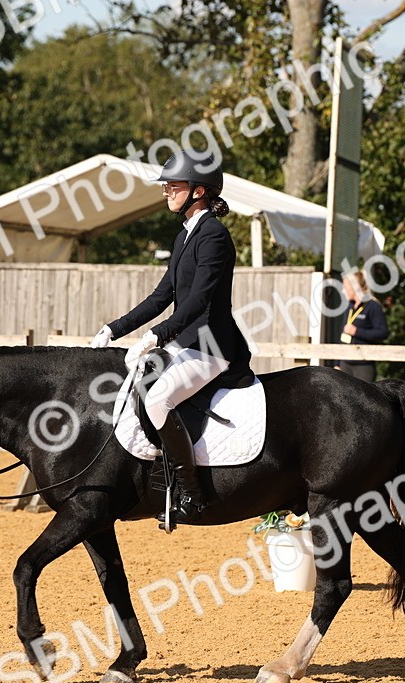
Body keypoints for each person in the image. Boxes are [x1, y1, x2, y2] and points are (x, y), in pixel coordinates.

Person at [89, 149, 249, 525]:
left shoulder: (214, 236)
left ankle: (192, 493)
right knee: (134, 379)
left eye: (173, 185)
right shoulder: (185, 236)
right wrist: (115, 328)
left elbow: (199, 300)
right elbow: (163, 295)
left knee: (158, 400)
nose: (166, 191)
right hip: (186, 342)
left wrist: (158, 336)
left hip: (212, 347)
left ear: (199, 191)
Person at [334, 270, 388, 382]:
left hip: (363, 363)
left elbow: (382, 332)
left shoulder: (373, 306)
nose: (344, 291)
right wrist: (337, 363)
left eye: (346, 287)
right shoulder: (350, 306)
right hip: (345, 362)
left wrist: (357, 331)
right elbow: (343, 337)